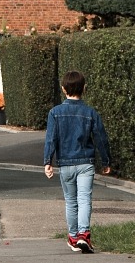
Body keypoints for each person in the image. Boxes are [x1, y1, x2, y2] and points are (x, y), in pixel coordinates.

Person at [43, 70, 112, 253]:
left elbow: (51, 138)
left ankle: (73, 237)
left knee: (70, 201)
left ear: (63, 89)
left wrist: (47, 161)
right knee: (84, 199)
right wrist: (105, 161)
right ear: (85, 89)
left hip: (65, 163)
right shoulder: (90, 113)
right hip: (85, 163)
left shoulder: (55, 113)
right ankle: (84, 235)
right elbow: (101, 138)